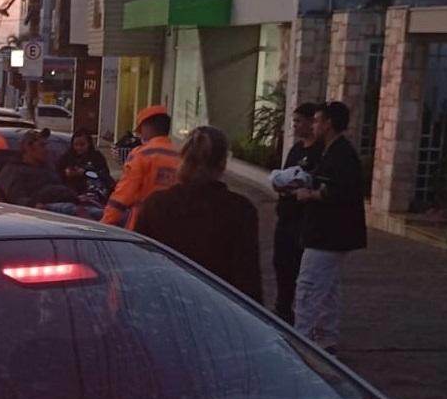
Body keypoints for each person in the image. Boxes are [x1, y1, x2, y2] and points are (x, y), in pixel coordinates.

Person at [132, 126, 262, 302]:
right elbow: (248, 279)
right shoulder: (240, 210)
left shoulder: (155, 205)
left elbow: (139, 267)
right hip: (219, 311)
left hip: (166, 305)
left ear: (183, 159)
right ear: (223, 163)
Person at [293, 101, 367, 352]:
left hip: (328, 234)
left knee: (309, 286)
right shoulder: (331, 151)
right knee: (329, 287)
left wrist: (310, 195)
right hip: (329, 233)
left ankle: (303, 341)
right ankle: (326, 336)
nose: (314, 125)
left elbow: (339, 191)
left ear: (329, 124)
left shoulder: (342, 154)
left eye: (317, 120)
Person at [269, 103, 323, 325]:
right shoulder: (296, 150)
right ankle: (282, 307)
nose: (294, 125)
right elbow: (285, 174)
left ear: (312, 123)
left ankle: (302, 316)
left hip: (304, 219)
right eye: (294, 121)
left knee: (298, 265)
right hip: (286, 215)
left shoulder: (320, 152)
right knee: (280, 261)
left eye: (299, 121)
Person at [101, 104, 180, 227]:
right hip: (173, 224)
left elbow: (123, 195)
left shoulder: (141, 154)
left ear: (147, 126)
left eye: (141, 130)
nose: (141, 134)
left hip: (143, 223)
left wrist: (105, 224)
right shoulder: (180, 156)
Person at [0, 129, 77, 208]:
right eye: (42, 145)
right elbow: (15, 199)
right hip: (43, 211)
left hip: (69, 202)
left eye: (46, 145)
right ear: (28, 147)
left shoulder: (47, 167)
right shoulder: (13, 170)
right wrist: (34, 205)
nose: (47, 150)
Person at [56, 128, 114, 194]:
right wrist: (66, 173)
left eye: (82, 145)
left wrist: (85, 173)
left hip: (93, 190)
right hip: (71, 190)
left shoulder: (97, 157)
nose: (79, 148)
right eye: (76, 145)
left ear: (89, 144)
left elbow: (103, 175)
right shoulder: (67, 157)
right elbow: (57, 174)